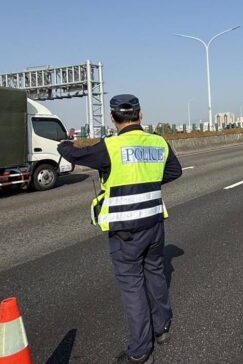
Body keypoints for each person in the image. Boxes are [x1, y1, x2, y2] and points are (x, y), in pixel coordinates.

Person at [58, 94, 182, 364]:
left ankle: (140, 351)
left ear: (114, 119)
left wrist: (63, 144)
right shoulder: (158, 141)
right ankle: (162, 328)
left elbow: (74, 154)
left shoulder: (110, 147)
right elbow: (175, 171)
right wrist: (147, 179)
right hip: (154, 222)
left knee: (133, 288)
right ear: (141, 115)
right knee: (156, 274)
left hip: (125, 231)